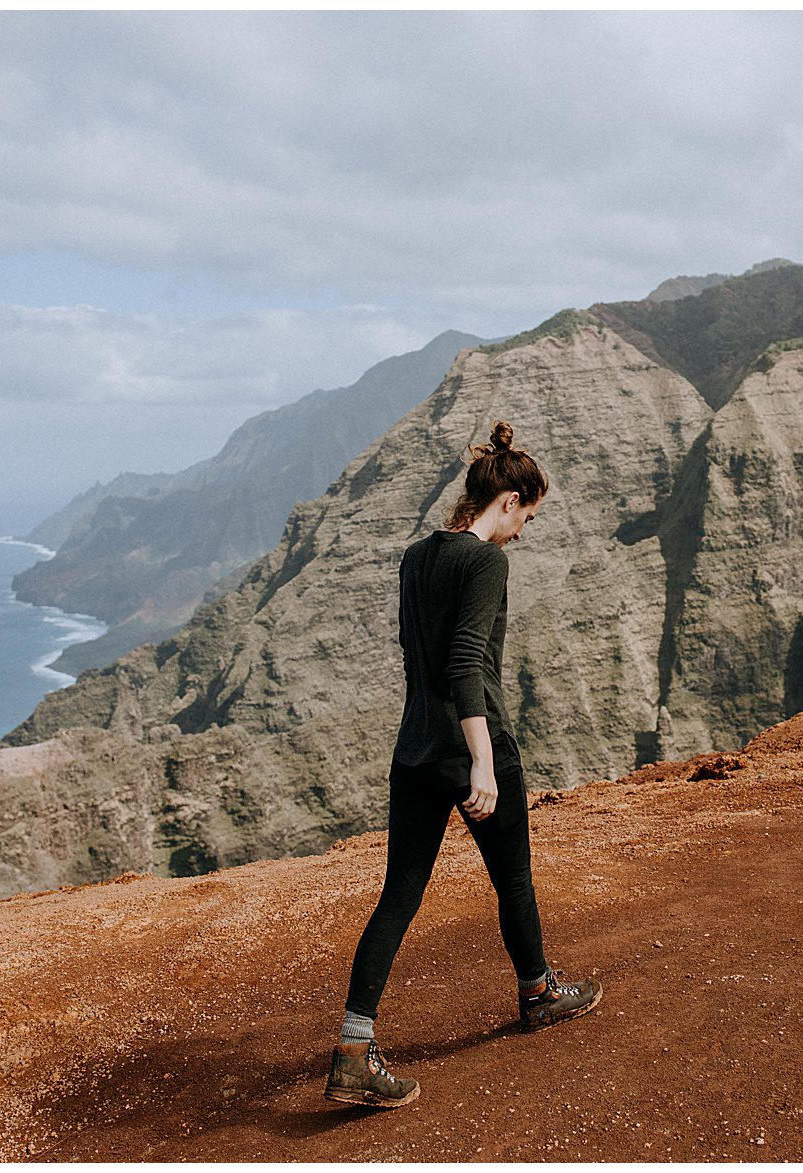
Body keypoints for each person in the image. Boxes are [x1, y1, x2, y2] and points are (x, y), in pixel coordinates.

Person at [324, 419, 603, 1109]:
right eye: (526, 517)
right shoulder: (486, 562)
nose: (523, 533)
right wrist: (482, 759)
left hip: (413, 747)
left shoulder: (417, 556)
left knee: (400, 892)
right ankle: (538, 992)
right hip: (472, 745)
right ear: (506, 501)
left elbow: (419, 656)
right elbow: (465, 662)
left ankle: (355, 1048)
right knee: (513, 877)